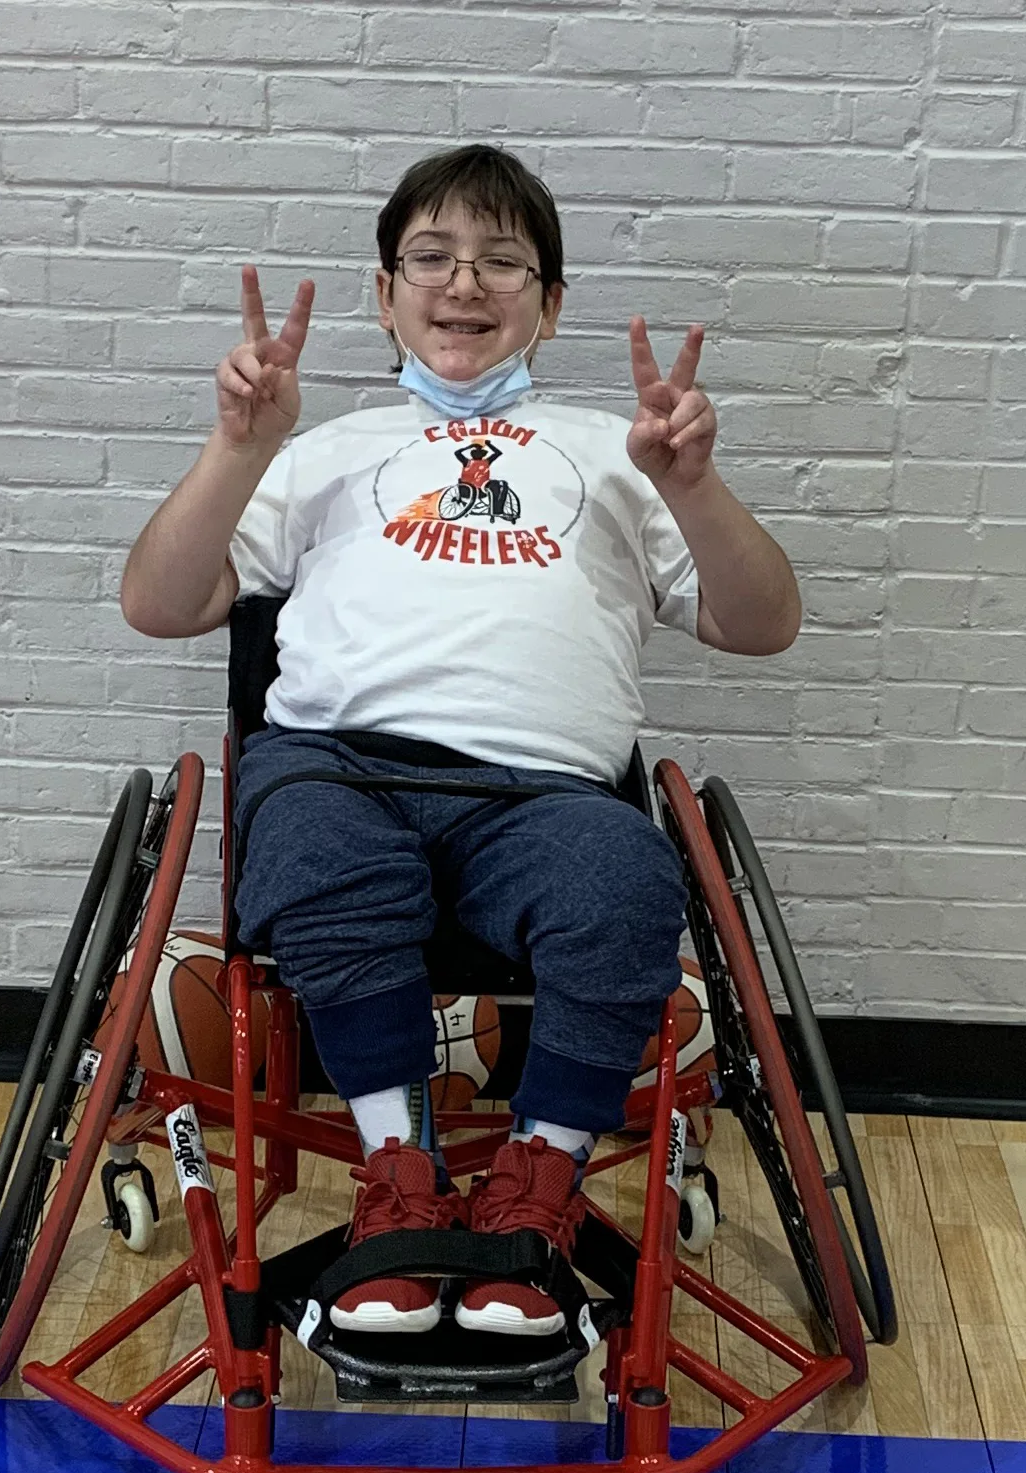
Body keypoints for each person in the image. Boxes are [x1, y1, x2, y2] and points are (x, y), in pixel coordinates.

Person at [117, 144, 799, 1339]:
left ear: (551, 301)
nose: (465, 282)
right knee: (326, 859)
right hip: (341, 765)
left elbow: (763, 626)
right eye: (431, 257)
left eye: (502, 260)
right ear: (386, 295)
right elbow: (159, 605)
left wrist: (692, 486)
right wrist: (238, 446)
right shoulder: (317, 449)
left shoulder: (616, 451)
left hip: (544, 793)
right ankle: (400, 1187)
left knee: (626, 882)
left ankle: (534, 1191)